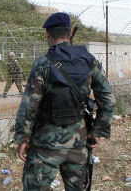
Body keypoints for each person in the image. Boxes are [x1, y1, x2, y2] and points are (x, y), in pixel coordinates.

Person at [14, 12, 116, 190]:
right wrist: (98, 130)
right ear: (70, 33)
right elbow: (108, 101)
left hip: (44, 146)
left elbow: (29, 106)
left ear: (48, 35)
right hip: (78, 144)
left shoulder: (42, 64)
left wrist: (23, 138)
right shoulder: (90, 62)